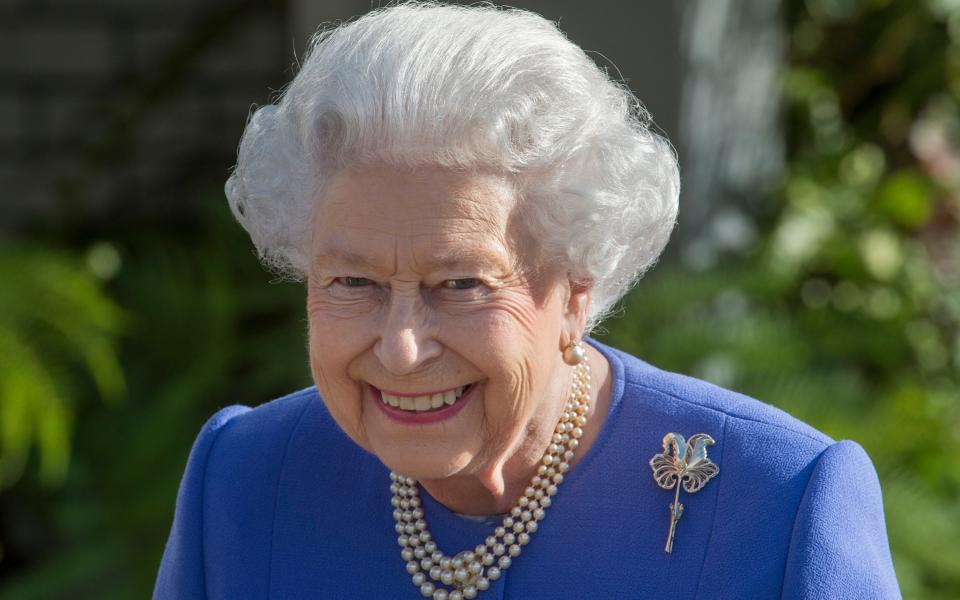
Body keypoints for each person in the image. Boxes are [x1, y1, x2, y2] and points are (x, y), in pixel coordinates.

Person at [153, 3, 901, 598]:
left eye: (462, 285)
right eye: (354, 283)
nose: (401, 347)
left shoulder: (778, 502)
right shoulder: (245, 480)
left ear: (577, 290)